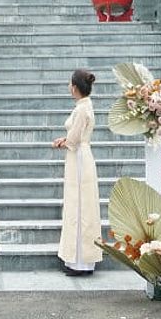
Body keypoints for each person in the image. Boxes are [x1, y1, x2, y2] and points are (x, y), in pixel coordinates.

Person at [52, 68, 102, 276]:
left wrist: (62, 143)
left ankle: (79, 261)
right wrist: (66, 141)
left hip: (79, 156)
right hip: (81, 154)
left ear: (74, 87)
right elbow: (76, 135)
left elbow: (74, 137)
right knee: (82, 205)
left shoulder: (82, 109)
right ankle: (82, 260)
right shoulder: (85, 106)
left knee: (79, 206)